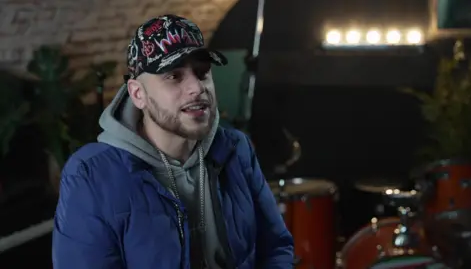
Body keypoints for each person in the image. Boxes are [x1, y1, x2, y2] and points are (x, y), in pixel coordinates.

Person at [52, 14, 294, 269]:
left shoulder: (236, 148)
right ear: (138, 94)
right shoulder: (92, 175)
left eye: (202, 73)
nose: (197, 88)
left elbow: (275, 246)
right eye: (174, 76)